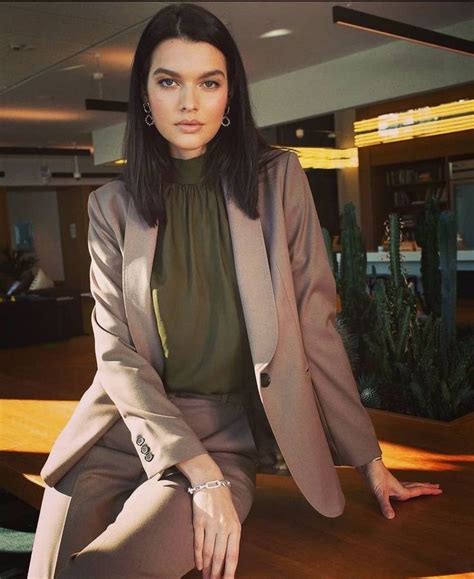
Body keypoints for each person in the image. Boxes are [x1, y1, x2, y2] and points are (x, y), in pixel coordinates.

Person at [28, 3, 443, 578]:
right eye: (169, 81)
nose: (190, 102)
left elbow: (317, 327)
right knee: (46, 574)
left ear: (230, 95)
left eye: (209, 82)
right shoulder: (110, 206)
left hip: (223, 434)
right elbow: (115, 355)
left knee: (102, 571)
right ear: (145, 95)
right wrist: (195, 469)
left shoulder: (279, 182)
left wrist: (368, 461)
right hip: (123, 427)